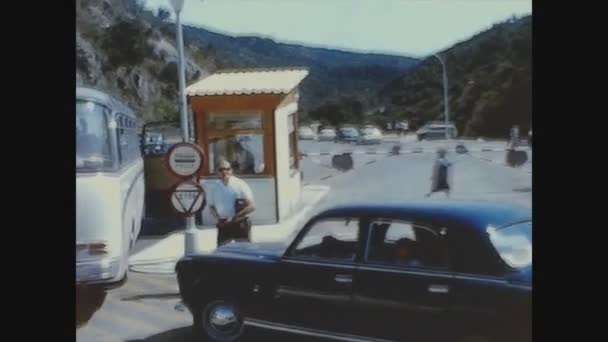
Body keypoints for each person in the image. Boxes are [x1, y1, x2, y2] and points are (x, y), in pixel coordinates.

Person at [208, 159, 256, 246]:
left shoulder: (240, 184)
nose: (224, 172)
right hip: (224, 224)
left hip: (240, 223)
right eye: (221, 169)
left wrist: (234, 217)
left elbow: (252, 206)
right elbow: (211, 207)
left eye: (227, 169)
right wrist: (217, 218)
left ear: (231, 170)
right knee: (222, 253)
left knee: (244, 252)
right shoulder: (214, 187)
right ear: (216, 172)